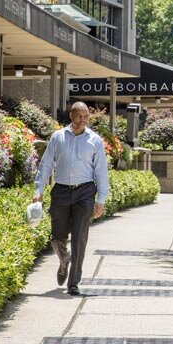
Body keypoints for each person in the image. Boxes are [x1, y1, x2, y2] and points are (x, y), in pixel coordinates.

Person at [33, 101, 110, 296]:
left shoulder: (95, 140)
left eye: (86, 116)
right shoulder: (58, 137)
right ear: (71, 116)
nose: (83, 120)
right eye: (79, 116)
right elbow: (46, 164)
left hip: (85, 192)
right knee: (57, 236)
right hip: (61, 191)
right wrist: (38, 189)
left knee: (79, 238)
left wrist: (100, 199)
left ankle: (73, 282)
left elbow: (101, 171)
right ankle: (64, 260)